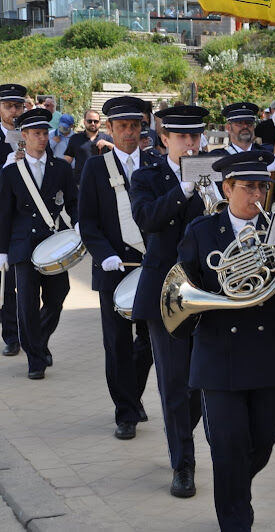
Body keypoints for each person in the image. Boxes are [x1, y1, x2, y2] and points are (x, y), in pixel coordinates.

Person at [178, 151, 275, 531]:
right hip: (219, 355)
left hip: (268, 352)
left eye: (262, 186)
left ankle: (235, 492)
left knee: (263, 443)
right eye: (247, 187)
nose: (257, 195)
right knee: (228, 449)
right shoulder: (202, 231)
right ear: (227, 189)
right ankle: (236, 519)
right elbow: (183, 288)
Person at [130, 105, 211, 498]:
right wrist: (184, 191)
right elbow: (147, 219)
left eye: (195, 136)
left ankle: (180, 436)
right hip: (164, 292)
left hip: (206, 292)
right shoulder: (146, 177)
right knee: (174, 383)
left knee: (199, 385)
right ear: (165, 139)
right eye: (183, 137)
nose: (191, 143)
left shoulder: (216, 174)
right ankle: (184, 464)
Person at [78, 97, 157, 440]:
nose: (129, 133)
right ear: (109, 129)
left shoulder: (155, 165)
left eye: (135, 126)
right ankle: (125, 411)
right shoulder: (96, 168)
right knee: (117, 343)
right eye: (122, 126)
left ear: (143, 129)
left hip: (151, 268)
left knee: (151, 341)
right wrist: (103, 254)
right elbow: (88, 222)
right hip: (113, 268)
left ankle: (132, 393)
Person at [0, 108, 78, 379]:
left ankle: (39, 341)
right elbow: (4, 213)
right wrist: (2, 250)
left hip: (54, 242)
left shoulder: (61, 168)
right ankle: (35, 359)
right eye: (37, 134)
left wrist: (78, 224)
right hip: (23, 245)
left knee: (58, 296)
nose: (43, 138)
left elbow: (73, 202)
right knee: (27, 305)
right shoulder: (11, 172)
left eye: (45, 133)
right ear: (24, 136)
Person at [0, 84, 25, 358]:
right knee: (5, 281)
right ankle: (10, 334)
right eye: (8, 106)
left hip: (22, 214)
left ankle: (21, 332)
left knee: (19, 280)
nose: (14, 111)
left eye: (18, 106)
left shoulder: (26, 134)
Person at [64, 110, 114, 185]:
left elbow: (119, 154)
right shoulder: (75, 138)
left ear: (100, 122)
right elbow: (67, 160)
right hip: (80, 183)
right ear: (84, 122)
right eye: (89, 121)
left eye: (96, 121)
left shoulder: (107, 139)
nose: (93, 124)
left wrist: (108, 144)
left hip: (102, 182)